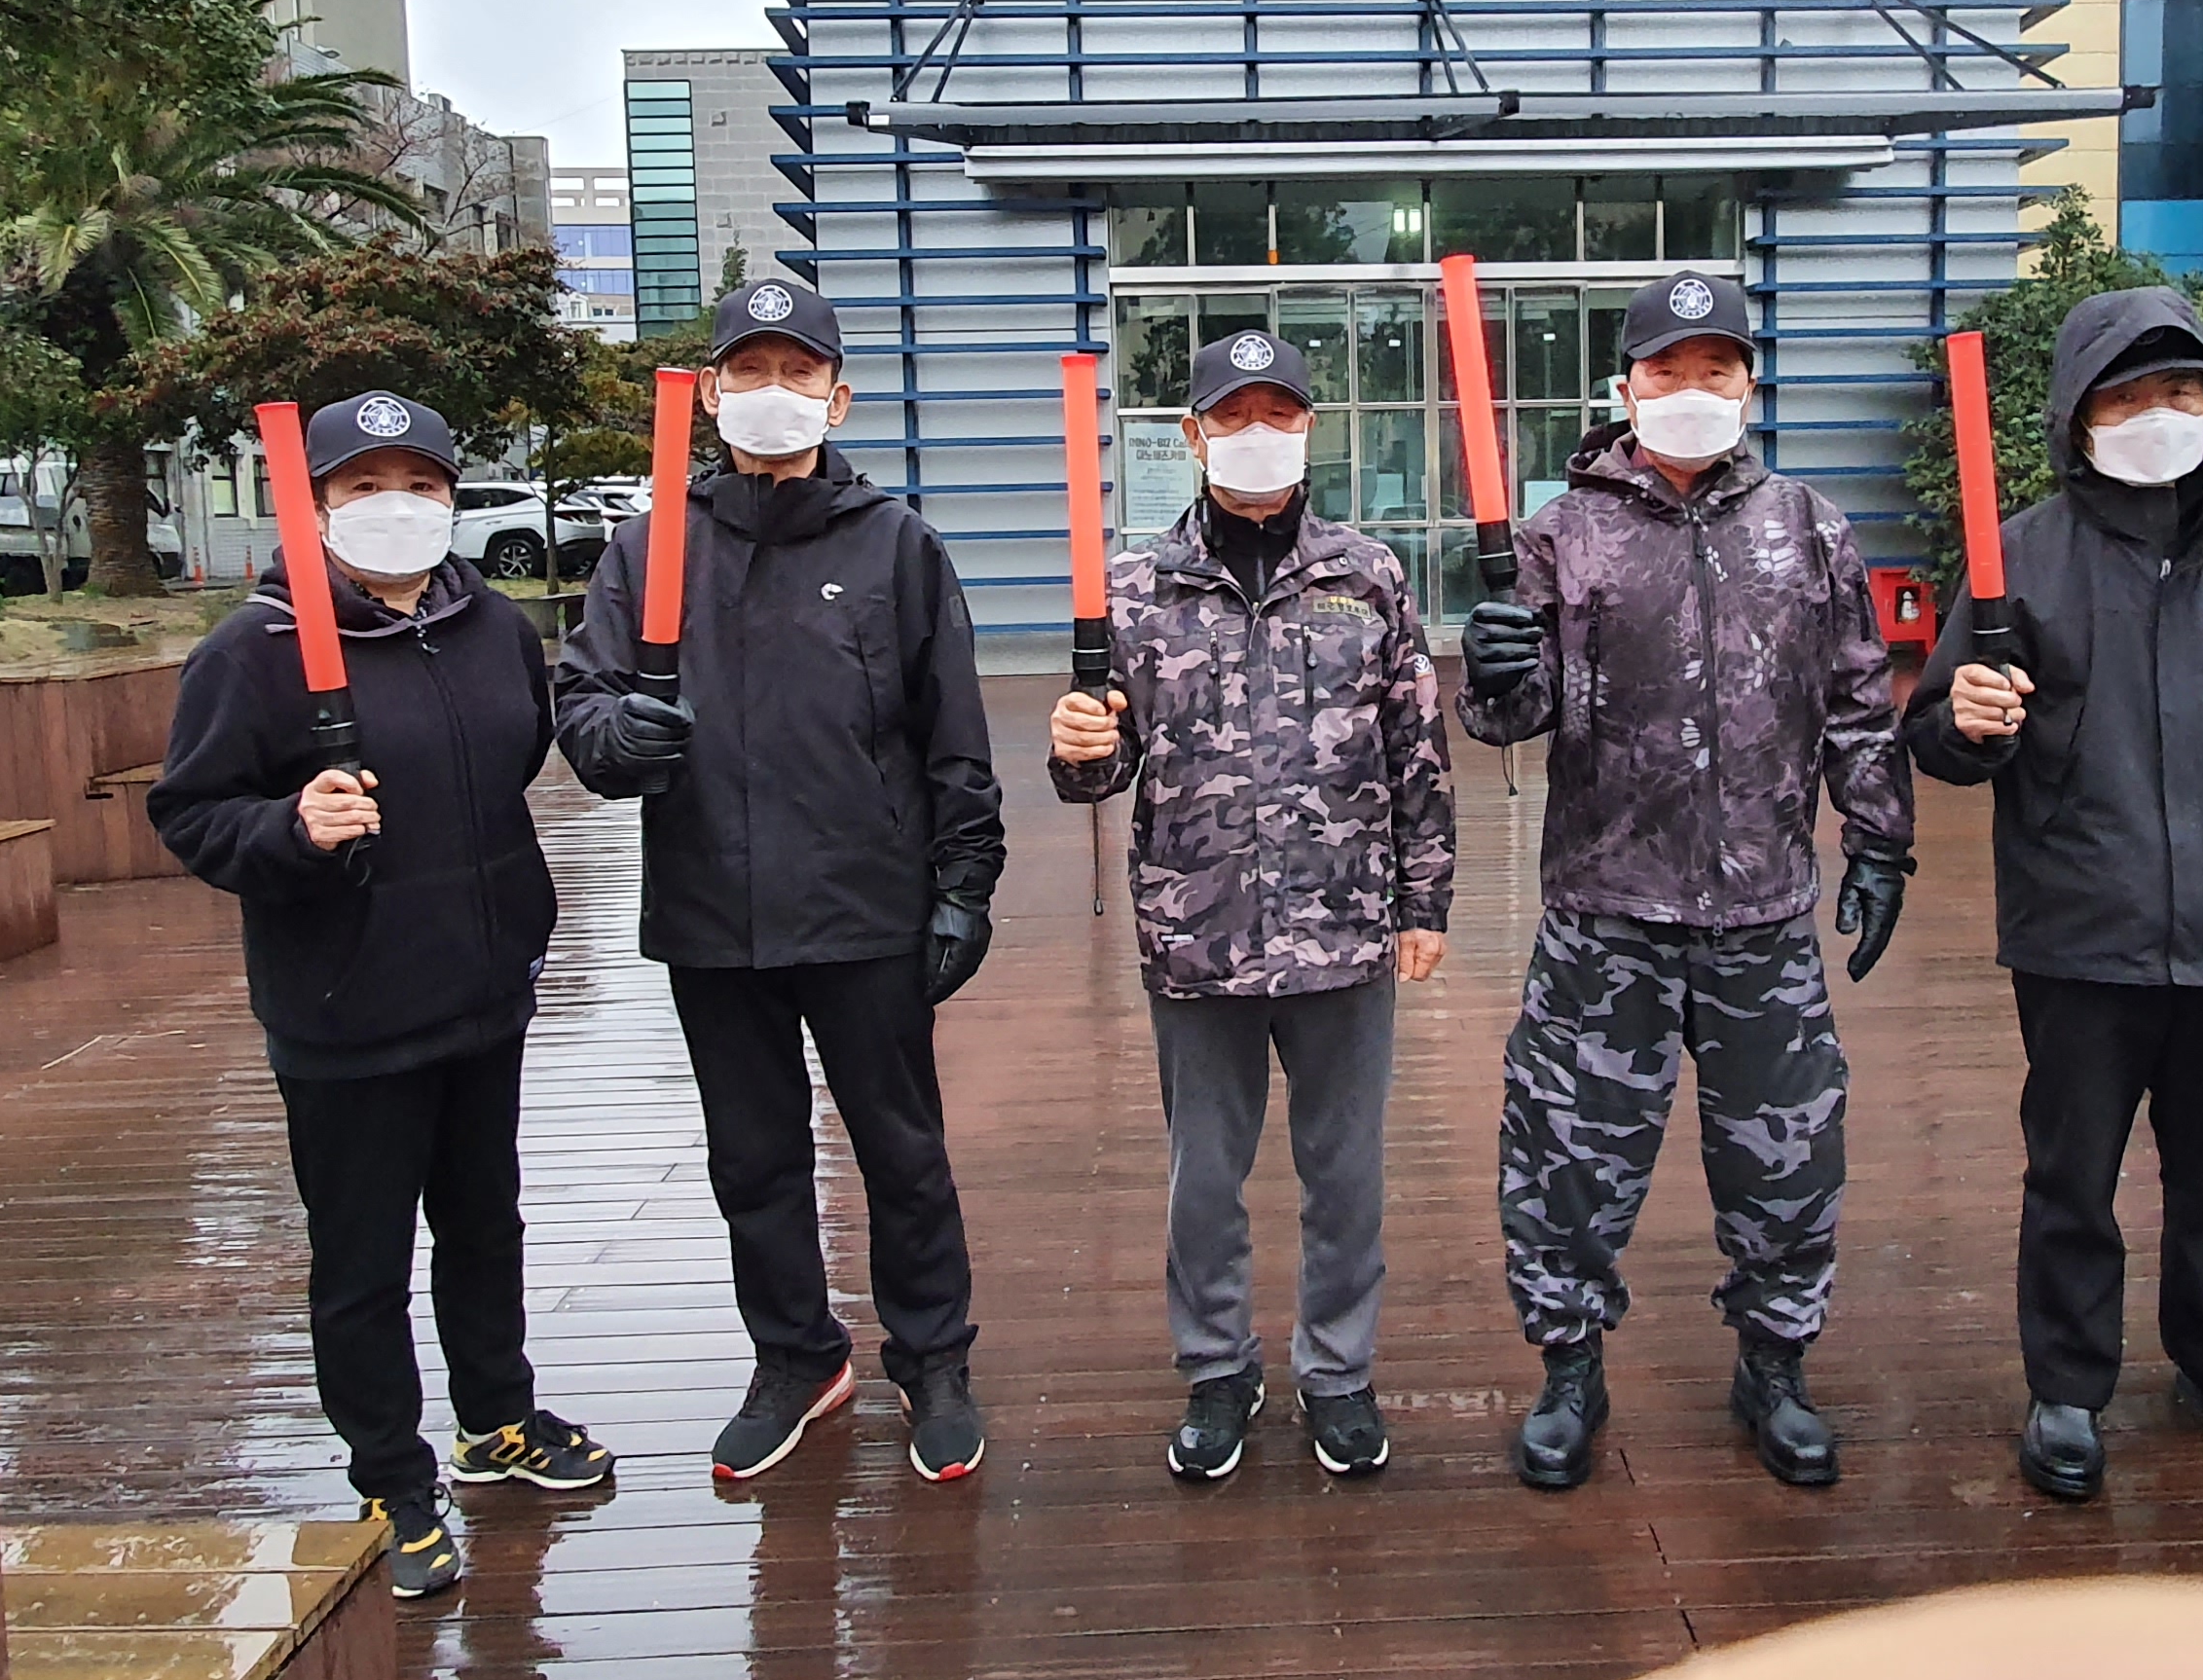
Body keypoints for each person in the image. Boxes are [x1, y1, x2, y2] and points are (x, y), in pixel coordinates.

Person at [1896, 285, 2203, 1505]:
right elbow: (1937, 738)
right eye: (2129, 395)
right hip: (2081, 930)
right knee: (2073, 1173)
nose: (2159, 415)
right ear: (2078, 415)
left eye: (2181, 392)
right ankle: (2066, 1386)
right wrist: (1969, 720)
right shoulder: (2022, 561)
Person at [151, 389, 611, 1602]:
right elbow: (191, 812)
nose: (394, 507)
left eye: (419, 486)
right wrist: (289, 827)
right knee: (362, 1258)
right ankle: (388, 1474)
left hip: (482, 989)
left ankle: (496, 1416)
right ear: (315, 506)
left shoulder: (493, 627)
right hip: (346, 1008)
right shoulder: (252, 651)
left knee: (485, 1224)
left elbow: (513, 760)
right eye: (364, 488)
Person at [1455, 272, 1912, 1493]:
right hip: (1607, 908)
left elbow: (1857, 698)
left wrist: (1879, 840)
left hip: (1763, 910)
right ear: (1628, 387)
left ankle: (1775, 1364)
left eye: (1719, 369)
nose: (1693, 390)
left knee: (1788, 1156)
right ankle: (1568, 1368)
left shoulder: (1808, 528)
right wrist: (1492, 670)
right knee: (1565, 1155)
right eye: (1670, 369)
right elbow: (1515, 714)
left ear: (1750, 386)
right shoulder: (1562, 534)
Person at [556, 280, 1008, 1485]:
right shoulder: (653, 547)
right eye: (747, 371)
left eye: (796, 372)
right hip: (713, 908)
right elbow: (584, 704)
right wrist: (615, 738)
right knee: (751, 1158)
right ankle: (795, 1356)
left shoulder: (895, 546)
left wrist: (965, 881)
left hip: (866, 905)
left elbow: (953, 732)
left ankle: (933, 1358)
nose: (772, 393)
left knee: (900, 1150)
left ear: (835, 397)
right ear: (709, 394)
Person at [1047, 330, 1452, 1485]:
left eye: (1279, 412)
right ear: (1193, 434)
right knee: (1204, 1180)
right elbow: (1103, 766)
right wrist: (1078, 751)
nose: (1257, 433)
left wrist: (1424, 900)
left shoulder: (1367, 576)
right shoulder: (1137, 588)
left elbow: (1416, 749)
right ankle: (1218, 1368)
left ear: (1312, 427)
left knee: (1347, 1174)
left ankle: (1339, 1371)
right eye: (1232, 415)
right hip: (1200, 932)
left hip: (1345, 929)